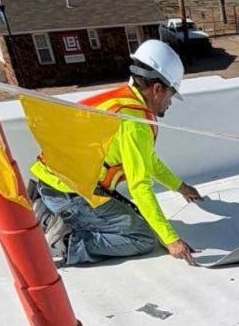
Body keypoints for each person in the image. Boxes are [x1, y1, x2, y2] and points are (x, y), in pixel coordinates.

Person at [28, 38, 202, 268]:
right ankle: (66, 241)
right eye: (171, 95)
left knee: (144, 220)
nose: (170, 103)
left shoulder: (122, 100)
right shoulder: (134, 123)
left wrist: (180, 187)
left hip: (57, 181)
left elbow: (147, 161)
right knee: (144, 238)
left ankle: (48, 211)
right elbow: (140, 186)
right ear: (157, 89)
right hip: (70, 192)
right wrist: (171, 240)